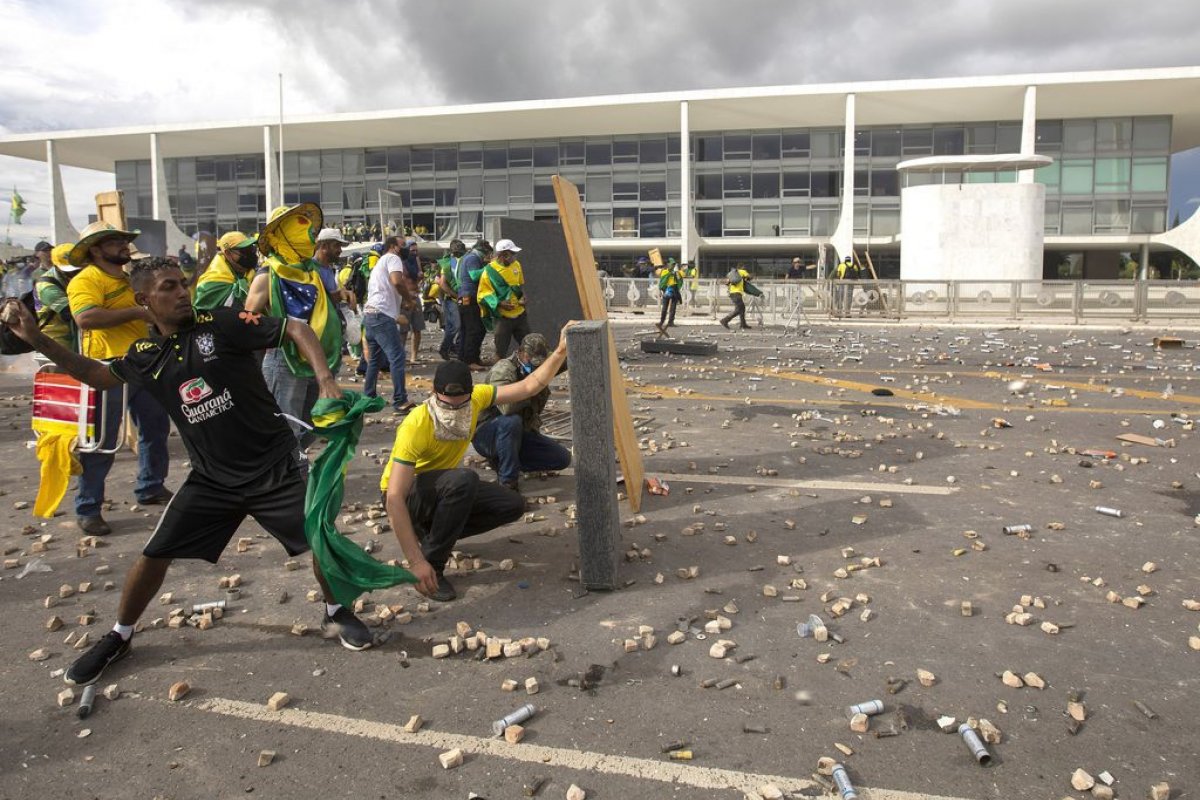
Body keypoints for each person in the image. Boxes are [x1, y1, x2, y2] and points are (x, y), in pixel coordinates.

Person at [2, 261, 394, 684]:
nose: (183, 292)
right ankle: (120, 635)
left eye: (184, 284)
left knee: (320, 538)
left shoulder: (222, 323)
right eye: (170, 287)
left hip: (275, 467)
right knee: (154, 555)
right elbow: (97, 376)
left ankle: (335, 611)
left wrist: (326, 379)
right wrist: (37, 337)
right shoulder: (145, 356)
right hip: (212, 480)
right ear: (144, 300)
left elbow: (296, 328)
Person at [380, 335, 571, 602]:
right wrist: (415, 562)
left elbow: (529, 386)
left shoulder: (478, 398)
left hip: (442, 489)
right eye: (447, 402)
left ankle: (433, 535)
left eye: (461, 402)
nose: (455, 409)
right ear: (434, 394)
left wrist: (561, 350)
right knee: (463, 480)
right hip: (408, 496)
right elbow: (393, 497)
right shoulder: (416, 424)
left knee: (512, 504)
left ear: (471, 395)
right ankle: (432, 566)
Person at [66, 222, 172, 535]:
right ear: (96, 250)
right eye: (115, 242)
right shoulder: (87, 279)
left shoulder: (127, 279)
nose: (124, 246)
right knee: (101, 440)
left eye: (125, 241)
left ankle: (151, 486)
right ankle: (88, 506)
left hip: (141, 362)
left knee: (155, 427)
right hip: (105, 369)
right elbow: (85, 317)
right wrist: (137, 314)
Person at [245, 204, 343, 453]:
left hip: (314, 358)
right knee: (287, 427)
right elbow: (248, 319)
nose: (309, 232)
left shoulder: (309, 272)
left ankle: (290, 465)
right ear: (284, 233)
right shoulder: (269, 273)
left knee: (312, 423)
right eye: (300, 225)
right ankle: (288, 477)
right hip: (284, 359)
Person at [471, 333, 571, 492]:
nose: (538, 368)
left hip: (519, 434)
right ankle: (507, 483)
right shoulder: (504, 369)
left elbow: (562, 359)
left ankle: (507, 461)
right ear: (522, 354)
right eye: (534, 363)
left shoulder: (539, 362)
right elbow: (506, 408)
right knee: (512, 421)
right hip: (489, 433)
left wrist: (569, 342)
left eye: (541, 364)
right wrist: (531, 387)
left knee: (562, 459)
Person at [362, 236, 417, 412]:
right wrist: (408, 300)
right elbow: (396, 282)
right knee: (397, 357)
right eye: (403, 245)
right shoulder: (393, 258)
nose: (406, 248)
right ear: (393, 247)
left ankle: (368, 397)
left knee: (375, 360)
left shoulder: (380, 263)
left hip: (370, 315)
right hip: (381, 315)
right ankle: (400, 400)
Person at [478, 238, 530, 360]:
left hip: (520, 315)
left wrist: (523, 296)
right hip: (503, 319)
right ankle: (497, 375)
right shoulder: (489, 271)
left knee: (529, 346)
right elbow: (483, 295)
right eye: (513, 254)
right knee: (500, 352)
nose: (515, 256)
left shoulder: (516, 265)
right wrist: (500, 304)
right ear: (504, 255)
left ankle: (530, 374)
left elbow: (520, 285)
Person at [33, 243, 82, 350]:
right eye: (70, 271)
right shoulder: (46, 286)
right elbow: (72, 313)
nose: (75, 273)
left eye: (77, 269)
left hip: (75, 336)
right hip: (56, 341)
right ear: (56, 265)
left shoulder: (71, 278)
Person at [193, 231, 257, 311]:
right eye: (244, 251)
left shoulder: (244, 271)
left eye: (251, 249)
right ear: (228, 253)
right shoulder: (212, 281)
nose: (249, 254)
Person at [455, 238, 491, 371]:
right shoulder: (473, 258)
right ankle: (470, 360)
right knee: (475, 329)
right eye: (486, 253)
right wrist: (489, 266)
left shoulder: (470, 257)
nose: (487, 256)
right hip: (469, 297)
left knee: (467, 330)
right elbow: (474, 276)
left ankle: (467, 358)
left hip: (466, 297)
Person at [435, 240, 465, 361]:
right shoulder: (448, 264)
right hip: (450, 299)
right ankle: (445, 348)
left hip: (457, 298)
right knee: (455, 326)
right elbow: (441, 282)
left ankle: (454, 348)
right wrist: (454, 295)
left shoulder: (459, 261)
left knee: (457, 326)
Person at [400, 240, 425, 363]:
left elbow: (420, 276)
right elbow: (400, 281)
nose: (414, 253)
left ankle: (413, 356)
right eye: (412, 250)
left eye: (416, 250)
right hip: (405, 298)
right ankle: (401, 356)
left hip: (416, 296)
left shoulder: (416, 260)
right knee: (403, 330)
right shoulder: (402, 262)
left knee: (417, 328)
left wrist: (420, 276)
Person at [719, 264, 753, 330]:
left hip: (732, 293)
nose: (745, 268)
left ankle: (743, 324)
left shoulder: (733, 273)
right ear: (742, 267)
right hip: (737, 293)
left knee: (742, 308)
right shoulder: (742, 271)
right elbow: (749, 277)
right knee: (739, 309)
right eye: (744, 267)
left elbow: (727, 282)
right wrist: (751, 276)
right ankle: (725, 320)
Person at [655, 258, 685, 333]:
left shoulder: (676, 272)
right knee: (665, 307)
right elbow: (662, 282)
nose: (673, 265)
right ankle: (661, 322)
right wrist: (662, 290)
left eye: (674, 264)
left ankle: (670, 322)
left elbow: (680, 280)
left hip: (674, 290)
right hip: (667, 290)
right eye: (672, 264)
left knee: (673, 307)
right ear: (668, 264)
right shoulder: (664, 271)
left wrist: (677, 273)